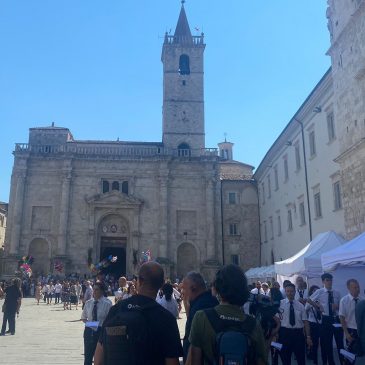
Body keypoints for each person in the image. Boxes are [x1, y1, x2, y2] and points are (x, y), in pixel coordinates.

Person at [94, 261, 183, 365]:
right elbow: (172, 362)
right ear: (161, 285)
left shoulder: (117, 309)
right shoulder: (166, 318)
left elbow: (98, 359)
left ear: (139, 281)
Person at [188, 264, 267, 365]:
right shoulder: (253, 324)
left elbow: (194, 361)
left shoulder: (201, 317)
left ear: (217, 288)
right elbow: (262, 361)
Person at [272, 282, 312, 365]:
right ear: (285, 292)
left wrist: (308, 336)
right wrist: (275, 333)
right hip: (284, 334)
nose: (290, 293)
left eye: (292, 291)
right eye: (288, 291)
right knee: (285, 359)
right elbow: (275, 319)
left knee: (301, 359)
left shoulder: (300, 306)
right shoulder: (280, 304)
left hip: (298, 334)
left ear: (295, 292)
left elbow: (305, 322)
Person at [308, 273, 343, 365]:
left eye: (330, 280)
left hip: (336, 319)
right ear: (323, 281)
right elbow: (309, 300)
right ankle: (331, 362)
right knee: (327, 344)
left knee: (340, 343)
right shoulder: (319, 292)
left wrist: (338, 306)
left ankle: (343, 362)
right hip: (326, 319)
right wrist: (317, 306)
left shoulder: (337, 292)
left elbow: (342, 307)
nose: (329, 282)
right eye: (327, 280)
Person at [81, 282, 112, 365]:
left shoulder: (107, 303)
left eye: (96, 289)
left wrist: (99, 325)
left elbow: (110, 320)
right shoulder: (88, 303)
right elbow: (83, 318)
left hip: (101, 332)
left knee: (100, 358)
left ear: (102, 291)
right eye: (93, 289)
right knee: (88, 357)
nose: (94, 291)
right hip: (89, 331)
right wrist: (92, 324)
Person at [339, 279, 364, 362]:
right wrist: (346, 333)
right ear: (349, 288)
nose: (358, 289)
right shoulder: (344, 300)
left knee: (362, 353)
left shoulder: (362, 300)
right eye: (355, 287)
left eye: (358, 287)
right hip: (351, 331)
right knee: (351, 356)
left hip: (362, 330)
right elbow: (342, 318)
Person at [305, 285, 322, 365]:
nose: (316, 292)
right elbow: (305, 311)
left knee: (322, 343)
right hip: (313, 324)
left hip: (321, 324)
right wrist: (312, 305)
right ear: (311, 292)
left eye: (317, 290)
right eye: (314, 291)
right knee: (314, 343)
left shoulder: (322, 301)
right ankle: (315, 361)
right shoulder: (309, 301)